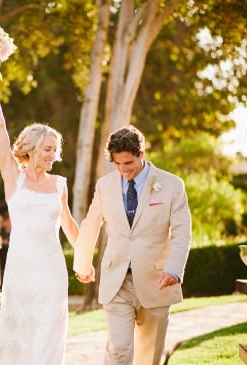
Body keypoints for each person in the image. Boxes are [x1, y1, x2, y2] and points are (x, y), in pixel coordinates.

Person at [0, 67, 79, 364]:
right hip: (21, 267)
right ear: (32, 148)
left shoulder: (59, 184)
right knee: (20, 329)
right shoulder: (13, 178)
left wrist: (85, 260)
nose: (54, 155)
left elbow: (68, 224)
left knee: (51, 329)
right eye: (48, 149)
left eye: (56, 150)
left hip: (52, 268)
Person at [73, 125, 192, 365]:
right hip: (117, 281)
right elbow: (90, 225)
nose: (123, 170)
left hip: (157, 280)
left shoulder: (172, 185)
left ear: (142, 154)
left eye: (128, 163)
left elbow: (182, 232)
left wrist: (173, 269)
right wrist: (82, 264)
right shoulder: (105, 185)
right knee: (119, 349)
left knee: (149, 356)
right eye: (117, 164)